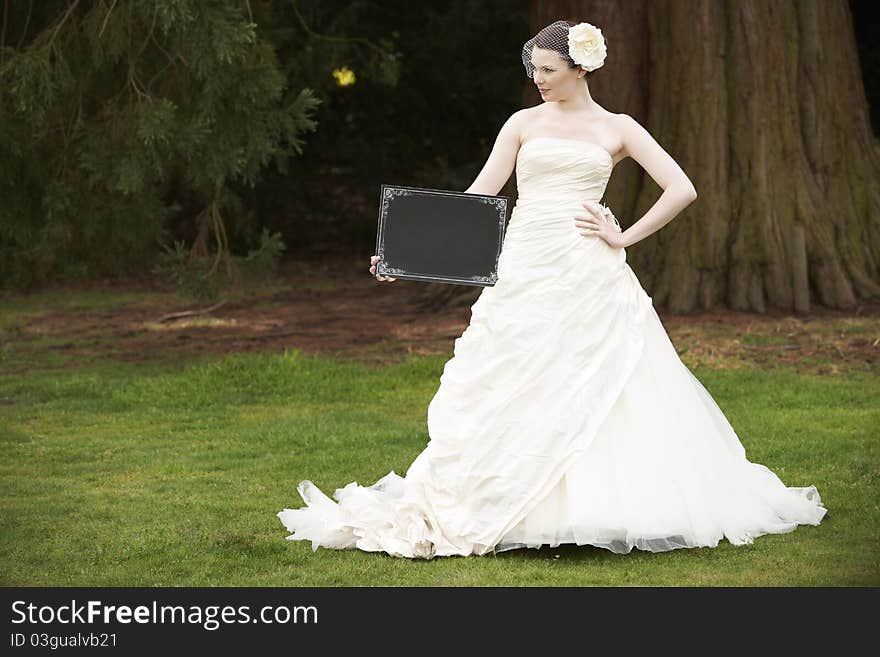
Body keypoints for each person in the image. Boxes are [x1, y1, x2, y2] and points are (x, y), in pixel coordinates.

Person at [278, 20, 827, 559]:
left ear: (579, 67)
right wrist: (405, 259)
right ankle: (505, 500)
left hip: (587, 269)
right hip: (525, 266)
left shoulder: (618, 127)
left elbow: (681, 188)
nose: (538, 78)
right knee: (511, 374)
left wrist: (623, 236)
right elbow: (477, 199)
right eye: (534, 69)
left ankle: (596, 505)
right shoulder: (522, 123)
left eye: (549, 69)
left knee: (592, 375)